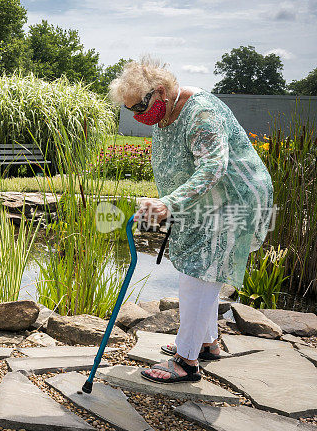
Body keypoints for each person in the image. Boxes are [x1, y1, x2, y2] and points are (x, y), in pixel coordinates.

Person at [108, 57, 274, 383]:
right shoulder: (165, 115)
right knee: (198, 272)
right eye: (131, 111)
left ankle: (186, 361)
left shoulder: (200, 113)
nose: (139, 116)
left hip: (232, 200)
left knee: (199, 275)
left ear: (160, 92)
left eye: (141, 107)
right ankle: (207, 342)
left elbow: (213, 167)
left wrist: (169, 203)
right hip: (202, 204)